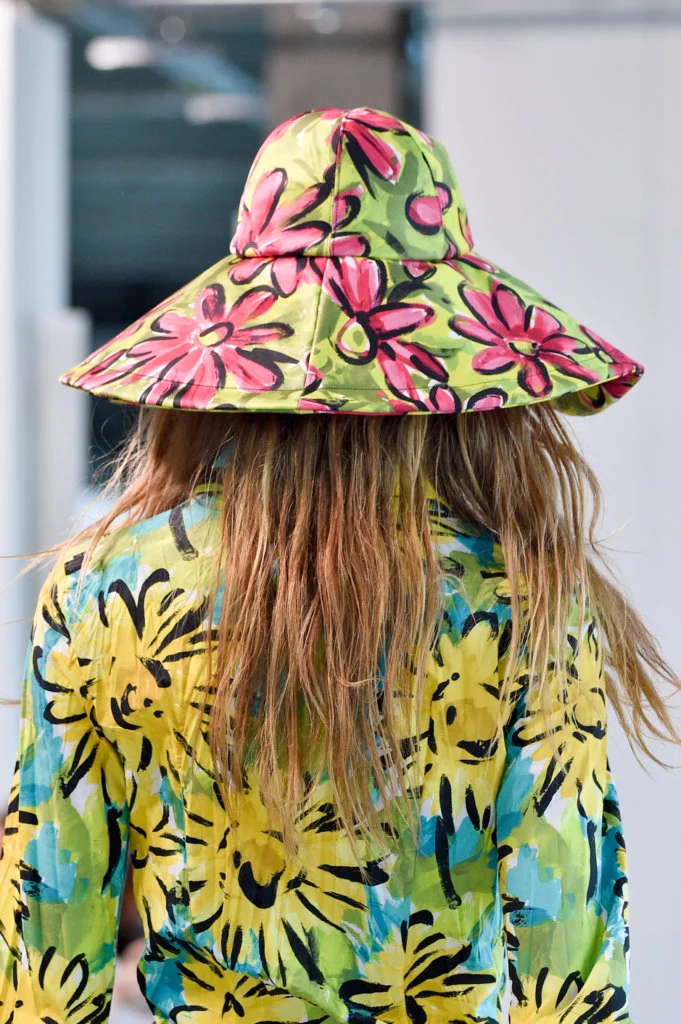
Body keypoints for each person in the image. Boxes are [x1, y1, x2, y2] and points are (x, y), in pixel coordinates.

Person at [0, 106, 677, 1024]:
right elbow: (569, 964)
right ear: (451, 358)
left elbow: (46, 945)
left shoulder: (104, 589)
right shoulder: (520, 602)